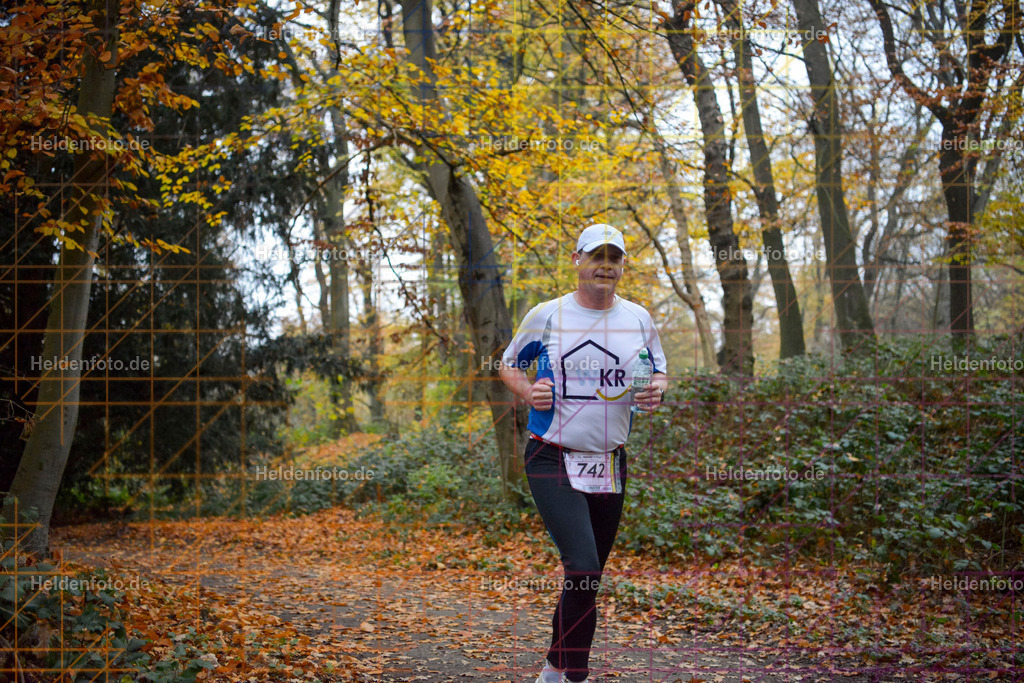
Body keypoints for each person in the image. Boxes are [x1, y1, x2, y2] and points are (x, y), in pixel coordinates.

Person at [498, 224, 668, 683]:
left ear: (623, 265)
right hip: (551, 455)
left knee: (587, 576)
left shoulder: (638, 319)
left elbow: (658, 371)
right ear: (577, 260)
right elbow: (508, 364)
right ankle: (576, 676)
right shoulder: (548, 315)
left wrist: (656, 390)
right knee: (584, 565)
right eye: (596, 256)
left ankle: (554, 670)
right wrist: (527, 390)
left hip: (609, 462)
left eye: (614, 258)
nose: (605, 266)